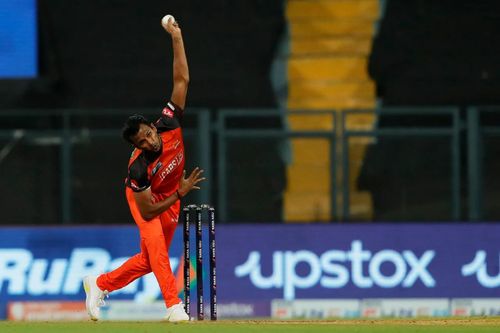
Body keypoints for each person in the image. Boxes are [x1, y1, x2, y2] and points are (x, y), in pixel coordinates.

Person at [83, 15, 204, 322]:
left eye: (149, 133)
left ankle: (99, 284)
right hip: (146, 201)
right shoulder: (139, 168)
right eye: (143, 141)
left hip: (170, 197)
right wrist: (179, 193)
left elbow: (182, 80)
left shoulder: (168, 121)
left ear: (153, 125)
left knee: (150, 261)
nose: (151, 140)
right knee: (159, 253)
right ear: (137, 145)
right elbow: (148, 211)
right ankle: (174, 307)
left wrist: (176, 36)